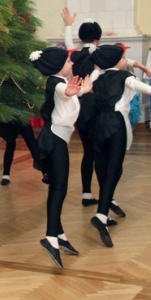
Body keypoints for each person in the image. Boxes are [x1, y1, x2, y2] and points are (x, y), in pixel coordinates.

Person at [61, 8, 151, 207]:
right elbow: (117, 58)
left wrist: (68, 25)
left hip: (80, 108)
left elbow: (68, 44)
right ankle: (107, 197)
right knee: (102, 155)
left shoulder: (75, 55)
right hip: (98, 108)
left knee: (88, 152)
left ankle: (86, 194)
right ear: (98, 38)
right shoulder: (100, 54)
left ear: (81, 37)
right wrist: (138, 64)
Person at [89, 45, 151, 247]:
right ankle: (101, 214)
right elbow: (136, 84)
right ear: (116, 61)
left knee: (104, 167)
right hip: (116, 124)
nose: (126, 61)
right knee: (114, 169)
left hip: (99, 124)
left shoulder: (97, 77)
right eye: (124, 58)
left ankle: (104, 212)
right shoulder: (124, 76)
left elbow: (89, 85)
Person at [31, 47, 92, 269]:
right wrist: (73, 91)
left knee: (59, 188)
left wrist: (81, 91)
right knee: (59, 188)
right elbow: (63, 92)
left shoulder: (61, 82)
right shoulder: (56, 83)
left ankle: (59, 234)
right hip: (54, 141)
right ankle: (51, 236)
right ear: (57, 66)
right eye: (68, 61)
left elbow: (68, 95)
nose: (72, 64)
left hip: (58, 140)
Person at [0, 118, 47, 186]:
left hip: (21, 117)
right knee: (11, 145)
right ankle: (5, 175)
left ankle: (45, 173)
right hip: (9, 119)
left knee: (32, 145)